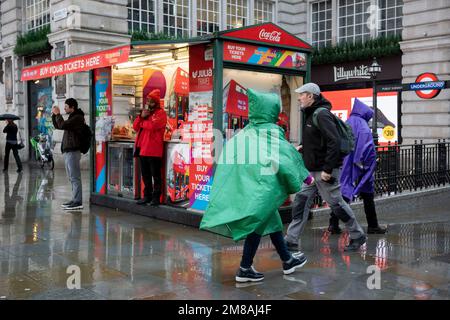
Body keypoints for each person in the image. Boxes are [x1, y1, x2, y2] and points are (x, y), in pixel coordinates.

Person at [200, 89, 309, 283]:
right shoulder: (271, 132)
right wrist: (306, 178)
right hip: (263, 189)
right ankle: (245, 268)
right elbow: (285, 157)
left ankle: (286, 260)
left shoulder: (246, 132)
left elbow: (230, 157)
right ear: (272, 110)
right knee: (259, 223)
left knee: (272, 221)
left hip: (252, 187)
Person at [287, 82, 367, 252]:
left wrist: (328, 170)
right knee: (301, 202)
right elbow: (318, 140)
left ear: (311, 96)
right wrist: (303, 146)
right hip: (311, 171)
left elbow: (334, 142)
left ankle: (357, 235)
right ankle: (291, 240)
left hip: (324, 172)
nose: (299, 98)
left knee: (337, 205)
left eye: (302, 94)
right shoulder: (311, 114)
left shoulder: (321, 114)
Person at [337, 98, 387, 234]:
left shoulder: (347, 122)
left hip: (346, 163)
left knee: (343, 194)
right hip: (360, 165)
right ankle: (373, 225)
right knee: (367, 195)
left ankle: (333, 224)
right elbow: (367, 149)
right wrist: (367, 165)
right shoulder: (364, 127)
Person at [133, 89, 167, 206]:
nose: (149, 103)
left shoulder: (161, 113)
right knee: (145, 175)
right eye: (148, 101)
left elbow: (153, 126)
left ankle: (156, 197)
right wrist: (140, 117)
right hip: (143, 149)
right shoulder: (146, 113)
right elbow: (135, 127)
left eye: (151, 101)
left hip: (154, 150)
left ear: (156, 102)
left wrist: (142, 121)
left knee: (156, 176)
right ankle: (147, 196)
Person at [52, 98, 85, 211]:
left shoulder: (78, 118)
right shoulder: (72, 117)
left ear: (72, 107)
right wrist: (54, 115)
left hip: (73, 150)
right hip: (68, 151)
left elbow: (62, 125)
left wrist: (58, 114)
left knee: (75, 177)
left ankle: (78, 201)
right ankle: (74, 199)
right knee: (72, 178)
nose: (64, 108)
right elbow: (58, 126)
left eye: (66, 106)